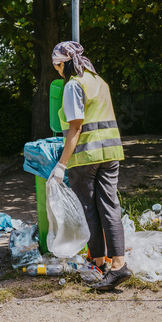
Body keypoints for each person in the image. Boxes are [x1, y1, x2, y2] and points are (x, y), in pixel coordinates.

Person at [48, 41, 131, 291]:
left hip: (86, 157)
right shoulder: (99, 81)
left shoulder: (74, 85)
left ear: (63, 64)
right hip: (111, 153)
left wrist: (61, 165)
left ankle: (100, 263)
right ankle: (116, 264)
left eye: (57, 66)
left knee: (89, 209)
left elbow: (76, 127)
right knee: (109, 206)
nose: (57, 71)